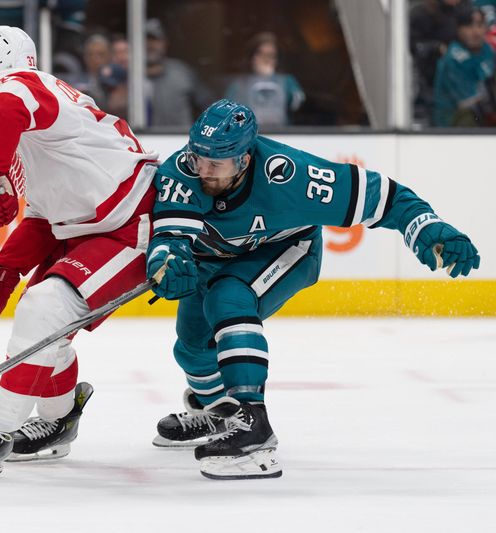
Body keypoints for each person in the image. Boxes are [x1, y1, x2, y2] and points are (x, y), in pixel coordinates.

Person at [145, 99, 480, 480]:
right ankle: (219, 411)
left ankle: (253, 427)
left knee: (228, 296)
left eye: (215, 163)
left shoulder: (293, 178)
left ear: (245, 159)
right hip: (215, 257)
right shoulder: (182, 169)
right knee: (191, 344)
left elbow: (385, 196)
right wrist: (166, 260)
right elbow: (170, 236)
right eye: (198, 156)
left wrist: (425, 225)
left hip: (285, 249)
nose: (202, 169)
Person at [0, 26, 159, 480]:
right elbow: (43, 213)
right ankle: (58, 421)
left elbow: (4, 102)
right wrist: (1, 270)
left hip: (127, 225)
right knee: (45, 332)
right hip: (91, 227)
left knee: (43, 310)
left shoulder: (21, 86)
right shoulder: (40, 125)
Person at [225, 32, 305, 127]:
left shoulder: (286, 81)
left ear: (277, 60)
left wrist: (271, 79)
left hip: (282, 134)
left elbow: (296, 104)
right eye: (261, 54)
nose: (266, 59)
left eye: (271, 55)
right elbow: (229, 111)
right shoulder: (240, 83)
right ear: (252, 57)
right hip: (250, 134)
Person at [433, 6, 496, 126]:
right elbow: (468, 101)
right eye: (469, 26)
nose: (475, 31)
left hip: (482, 116)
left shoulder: (488, 50)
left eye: (480, 25)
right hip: (453, 122)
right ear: (459, 29)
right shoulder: (454, 58)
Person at [145, 18, 213, 128]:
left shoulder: (182, 72)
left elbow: (208, 106)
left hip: (180, 141)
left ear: (165, 43)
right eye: (145, 40)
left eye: (154, 40)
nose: (149, 45)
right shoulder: (127, 75)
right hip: (138, 142)